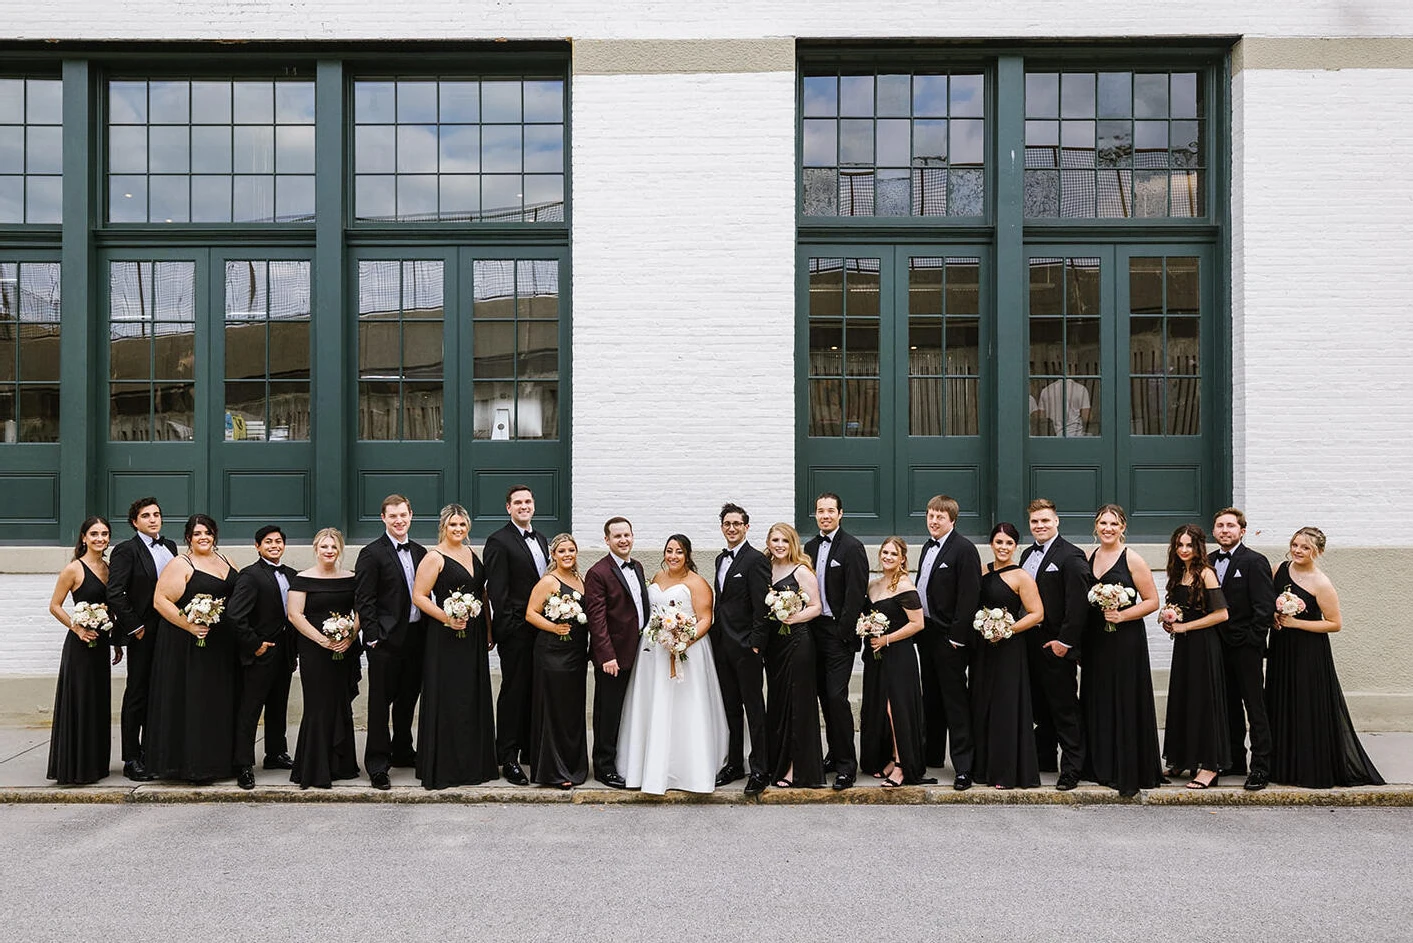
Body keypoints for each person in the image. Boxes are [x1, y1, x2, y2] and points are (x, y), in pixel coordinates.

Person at [1265, 527, 1384, 788]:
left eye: (1305, 547)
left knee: (1306, 704)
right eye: (1295, 544)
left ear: (1318, 552)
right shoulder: (1278, 569)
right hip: (1281, 648)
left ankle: (1308, 767)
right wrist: (1274, 617)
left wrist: (1297, 624)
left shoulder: (1321, 583)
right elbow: (1267, 603)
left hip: (1309, 651)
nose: (1297, 550)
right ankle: (1282, 768)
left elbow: (1334, 624)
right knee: (1280, 701)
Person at [617, 534, 730, 795]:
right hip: (653, 653)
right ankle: (650, 766)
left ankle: (688, 768)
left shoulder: (697, 583)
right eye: (669, 551)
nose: (673, 556)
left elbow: (705, 618)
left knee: (684, 706)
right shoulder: (657, 578)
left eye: (679, 552)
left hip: (687, 651)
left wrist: (683, 640)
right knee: (654, 703)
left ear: (687, 555)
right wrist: (664, 638)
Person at [145, 514, 238, 783]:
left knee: (218, 701)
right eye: (197, 533)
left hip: (222, 644)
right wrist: (189, 626)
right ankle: (193, 765)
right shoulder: (180, 564)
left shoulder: (227, 560)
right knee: (195, 701)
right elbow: (160, 601)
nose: (204, 537)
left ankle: (221, 762)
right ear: (188, 538)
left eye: (208, 532)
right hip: (189, 645)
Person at [411, 503, 497, 789]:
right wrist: (447, 618)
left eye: (462, 525)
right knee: (449, 697)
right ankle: (446, 765)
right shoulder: (433, 557)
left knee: (471, 696)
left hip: (472, 636)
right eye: (453, 525)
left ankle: (474, 763)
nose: (458, 529)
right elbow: (419, 596)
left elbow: (481, 594)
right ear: (443, 527)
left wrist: (487, 629)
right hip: (445, 637)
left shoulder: (472, 553)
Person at [1081, 505, 1163, 798]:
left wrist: (1123, 615)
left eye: (1113, 524)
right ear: (1096, 526)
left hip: (1125, 639)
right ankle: (1100, 764)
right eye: (1103, 523)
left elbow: (1152, 601)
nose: (1107, 528)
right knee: (1098, 696)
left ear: (1123, 527)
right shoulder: (1090, 556)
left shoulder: (1133, 559)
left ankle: (1125, 767)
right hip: (1097, 641)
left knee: (1123, 697)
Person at [354, 493, 427, 790]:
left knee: (408, 697)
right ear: (383, 518)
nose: (399, 520)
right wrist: (371, 637)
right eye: (392, 516)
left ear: (411, 515)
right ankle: (377, 763)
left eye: (403, 515)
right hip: (384, 641)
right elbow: (364, 599)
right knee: (380, 703)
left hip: (416, 636)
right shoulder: (372, 553)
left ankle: (402, 750)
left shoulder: (422, 552)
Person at [1018, 498, 1091, 790]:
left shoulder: (1071, 556)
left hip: (1056, 643)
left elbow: (1078, 605)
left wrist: (1065, 642)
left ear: (1057, 521)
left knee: (1064, 708)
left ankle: (1072, 768)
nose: (1040, 526)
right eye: (1035, 522)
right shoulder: (1026, 554)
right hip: (1029, 642)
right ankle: (1044, 757)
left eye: (1045, 521)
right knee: (1039, 705)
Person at [105, 496, 177, 782]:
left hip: (170, 630)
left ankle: (153, 751)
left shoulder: (170, 547)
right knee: (137, 693)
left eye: (156, 514)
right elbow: (115, 592)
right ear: (134, 522)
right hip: (143, 633)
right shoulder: (126, 551)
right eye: (146, 515)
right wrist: (134, 627)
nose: (153, 519)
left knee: (160, 691)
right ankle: (131, 758)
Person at [914, 494, 983, 791]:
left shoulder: (964, 550)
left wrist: (957, 636)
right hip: (926, 634)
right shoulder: (927, 548)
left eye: (939, 517)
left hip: (949, 638)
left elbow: (969, 596)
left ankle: (964, 767)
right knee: (930, 697)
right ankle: (932, 756)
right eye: (930, 515)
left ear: (952, 520)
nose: (933, 521)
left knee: (954, 702)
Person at [483, 484, 550, 785]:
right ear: (508, 508)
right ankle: (507, 755)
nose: (524, 506)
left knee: (535, 690)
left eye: (528, 501)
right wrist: (512, 627)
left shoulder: (542, 539)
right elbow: (498, 591)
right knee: (514, 691)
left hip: (542, 630)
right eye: (518, 502)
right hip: (516, 632)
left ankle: (527, 750)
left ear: (533, 505)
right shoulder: (498, 541)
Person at [803, 492, 868, 791]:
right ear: (815, 515)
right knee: (821, 697)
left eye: (831, 510)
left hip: (838, 634)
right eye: (820, 511)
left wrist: (844, 633)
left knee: (837, 698)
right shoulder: (810, 547)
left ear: (841, 514)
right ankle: (832, 754)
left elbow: (856, 594)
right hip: (811, 632)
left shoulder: (853, 548)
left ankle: (846, 765)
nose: (825, 515)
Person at [972, 522, 1044, 789]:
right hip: (983, 649)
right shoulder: (982, 571)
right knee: (982, 703)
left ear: (1015, 547)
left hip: (1009, 650)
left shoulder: (1021, 576)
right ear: (991, 544)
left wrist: (1006, 630)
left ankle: (1005, 772)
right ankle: (983, 768)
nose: (1003, 548)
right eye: (999, 542)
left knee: (1005, 707)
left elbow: (1037, 614)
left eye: (1009, 543)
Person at [287, 528, 360, 789]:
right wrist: (323, 640)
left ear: (340, 550)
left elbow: (360, 609)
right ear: (316, 549)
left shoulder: (351, 578)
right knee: (318, 705)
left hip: (344, 648)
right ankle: (315, 768)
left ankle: (341, 764)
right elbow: (295, 615)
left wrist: (349, 637)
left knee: (340, 702)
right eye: (324, 547)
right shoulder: (302, 578)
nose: (329, 551)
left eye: (334, 547)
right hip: (315, 651)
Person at [1160, 524, 1231, 789]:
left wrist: (1185, 626)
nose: (1184, 550)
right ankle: (1181, 759)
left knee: (1203, 703)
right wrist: (1170, 620)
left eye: (1189, 545)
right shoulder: (1180, 572)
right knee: (1183, 699)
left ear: (1199, 547)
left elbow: (1221, 614)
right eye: (1180, 545)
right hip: (1184, 646)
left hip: (1203, 645)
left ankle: (1209, 766)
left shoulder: (1205, 573)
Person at [226, 525, 297, 790]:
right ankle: (243, 763)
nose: (274, 546)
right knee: (251, 708)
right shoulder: (250, 575)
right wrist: (254, 644)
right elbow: (235, 615)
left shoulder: (292, 574)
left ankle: (275, 753)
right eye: (268, 542)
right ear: (257, 546)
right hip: (260, 652)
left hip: (285, 652)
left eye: (278, 541)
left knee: (279, 705)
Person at [46, 516, 116, 785]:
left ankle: (95, 765)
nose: (100, 538)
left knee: (98, 702)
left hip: (101, 645)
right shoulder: (74, 569)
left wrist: (116, 641)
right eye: (95, 534)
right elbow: (55, 605)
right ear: (84, 538)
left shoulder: (109, 569)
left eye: (105, 534)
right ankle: (76, 767)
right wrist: (76, 628)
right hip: (80, 646)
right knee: (81, 701)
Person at [1210, 507, 1276, 791]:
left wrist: (1252, 641)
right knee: (1227, 705)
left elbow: (1264, 607)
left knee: (1254, 706)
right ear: (1214, 532)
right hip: (1216, 647)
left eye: (1230, 526)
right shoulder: (1208, 561)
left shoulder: (1254, 561)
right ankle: (1235, 759)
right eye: (1220, 526)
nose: (1225, 530)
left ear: (1242, 531)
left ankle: (1261, 767)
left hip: (1246, 648)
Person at [712, 502, 772, 797]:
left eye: (737, 524)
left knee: (754, 709)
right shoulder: (720, 560)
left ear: (747, 527)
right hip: (722, 647)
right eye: (727, 524)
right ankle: (734, 763)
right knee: (731, 708)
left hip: (747, 648)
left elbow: (762, 608)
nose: (732, 528)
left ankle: (760, 768)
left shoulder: (756, 560)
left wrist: (757, 644)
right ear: (722, 527)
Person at [860, 537, 931, 786]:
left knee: (895, 710)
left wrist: (886, 639)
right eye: (885, 552)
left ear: (903, 559)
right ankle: (890, 757)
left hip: (899, 656)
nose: (888, 557)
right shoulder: (873, 585)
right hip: (877, 657)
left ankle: (902, 766)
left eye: (894, 553)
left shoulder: (905, 586)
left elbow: (918, 624)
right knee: (880, 709)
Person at [583, 517, 648, 789]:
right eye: (617, 536)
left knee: (629, 710)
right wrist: (606, 655)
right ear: (607, 540)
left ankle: (625, 761)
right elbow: (596, 619)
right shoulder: (598, 572)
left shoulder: (639, 566)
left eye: (627, 535)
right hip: (613, 657)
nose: (623, 540)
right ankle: (604, 767)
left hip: (640, 653)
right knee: (607, 713)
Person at [524, 533, 590, 788]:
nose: (567, 555)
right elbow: (530, 613)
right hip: (553, 653)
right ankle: (554, 771)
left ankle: (573, 764)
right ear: (553, 555)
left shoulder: (579, 579)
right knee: (554, 709)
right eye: (562, 551)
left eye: (571, 550)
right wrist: (554, 628)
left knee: (572, 710)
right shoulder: (549, 581)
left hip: (576, 654)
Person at [763, 522, 825, 789]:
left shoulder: (801, 571)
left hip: (798, 643)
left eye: (784, 541)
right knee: (777, 702)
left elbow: (817, 607)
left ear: (792, 544)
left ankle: (795, 767)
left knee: (796, 703)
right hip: (774, 646)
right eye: (775, 540)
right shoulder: (766, 568)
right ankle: (776, 761)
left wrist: (792, 618)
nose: (779, 545)